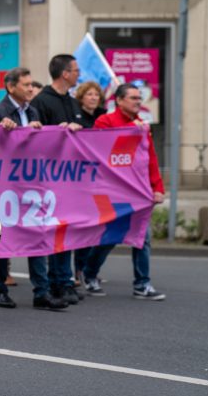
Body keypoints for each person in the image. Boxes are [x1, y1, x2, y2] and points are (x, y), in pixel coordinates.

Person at [0, 68, 69, 311]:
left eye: (30, 84)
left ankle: (41, 292)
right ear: (11, 87)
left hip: (31, 183)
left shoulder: (33, 110)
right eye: (25, 85)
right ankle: (0, 289)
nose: (30, 88)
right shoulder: (0, 110)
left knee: (37, 234)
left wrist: (44, 132)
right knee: (3, 237)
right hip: (6, 184)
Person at [82, 83, 166, 300]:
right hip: (112, 193)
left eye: (140, 98)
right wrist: (129, 134)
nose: (138, 102)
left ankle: (142, 284)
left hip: (138, 193)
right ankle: (89, 274)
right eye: (133, 98)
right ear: (119, 100)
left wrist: (157, 187)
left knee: (142, 238)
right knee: (110, 237)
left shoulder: (142, 126)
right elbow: (99, 155)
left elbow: (150, 160)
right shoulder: (105, 122)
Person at [30, 54, 84, 305]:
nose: (78, 74)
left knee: (67, 229)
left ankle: (65, 281)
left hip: (70, 178)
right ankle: (52, 282)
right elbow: (35, 137)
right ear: (65, 73)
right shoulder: (42, 101)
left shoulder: (73, 102)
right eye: (75, 70)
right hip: (48, 177)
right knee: (51, 231)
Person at [72, 81, 107, 282]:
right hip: (81, 180)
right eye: (89, 94)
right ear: (82, 97)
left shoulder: (104, 116)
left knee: (99, 226)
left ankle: (89, 269)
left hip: (100, 179)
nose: (94, 97)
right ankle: (79, 269)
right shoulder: (75, 115)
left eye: (96, 94)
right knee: (83, 227)